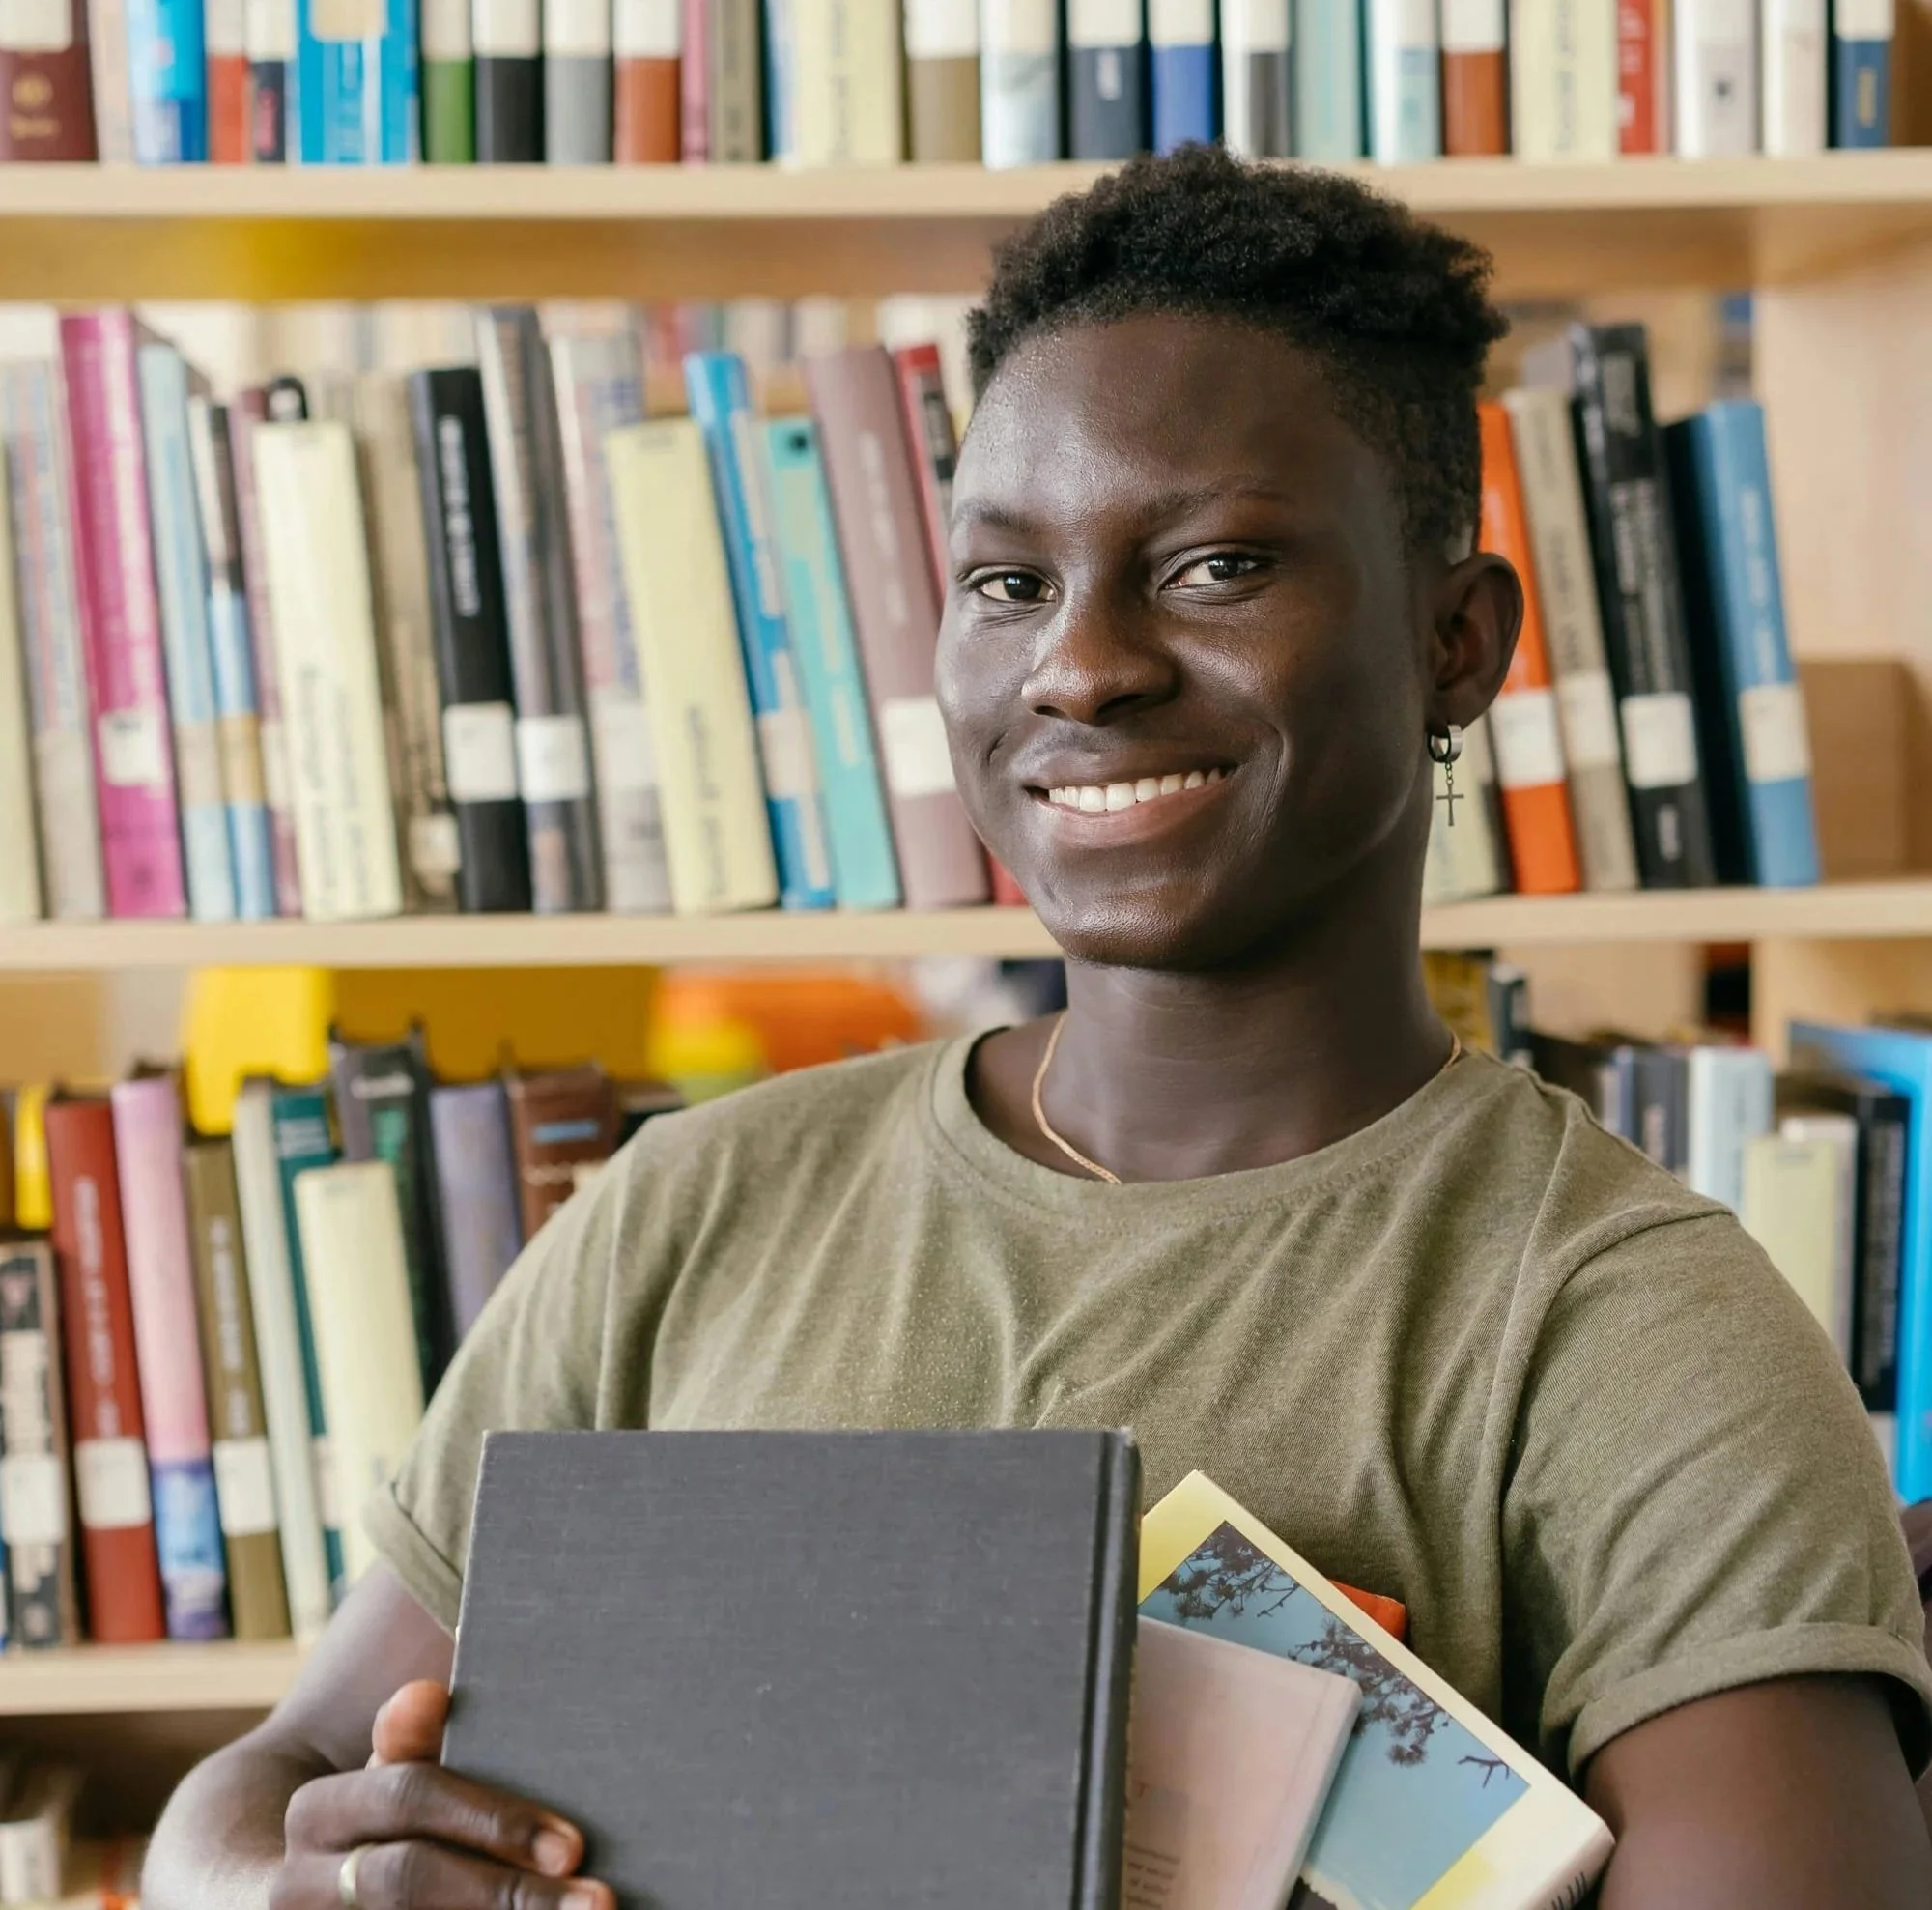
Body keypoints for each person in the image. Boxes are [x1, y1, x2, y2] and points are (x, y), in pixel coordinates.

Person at [147, 149, 1932, 1909]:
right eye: (1009, 584)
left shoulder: (1627, 1326)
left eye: (1218, 566)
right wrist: (312, 1883)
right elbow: (257, 1794)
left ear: (1459, 643)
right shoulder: (689, 1212)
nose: (1081, 668)